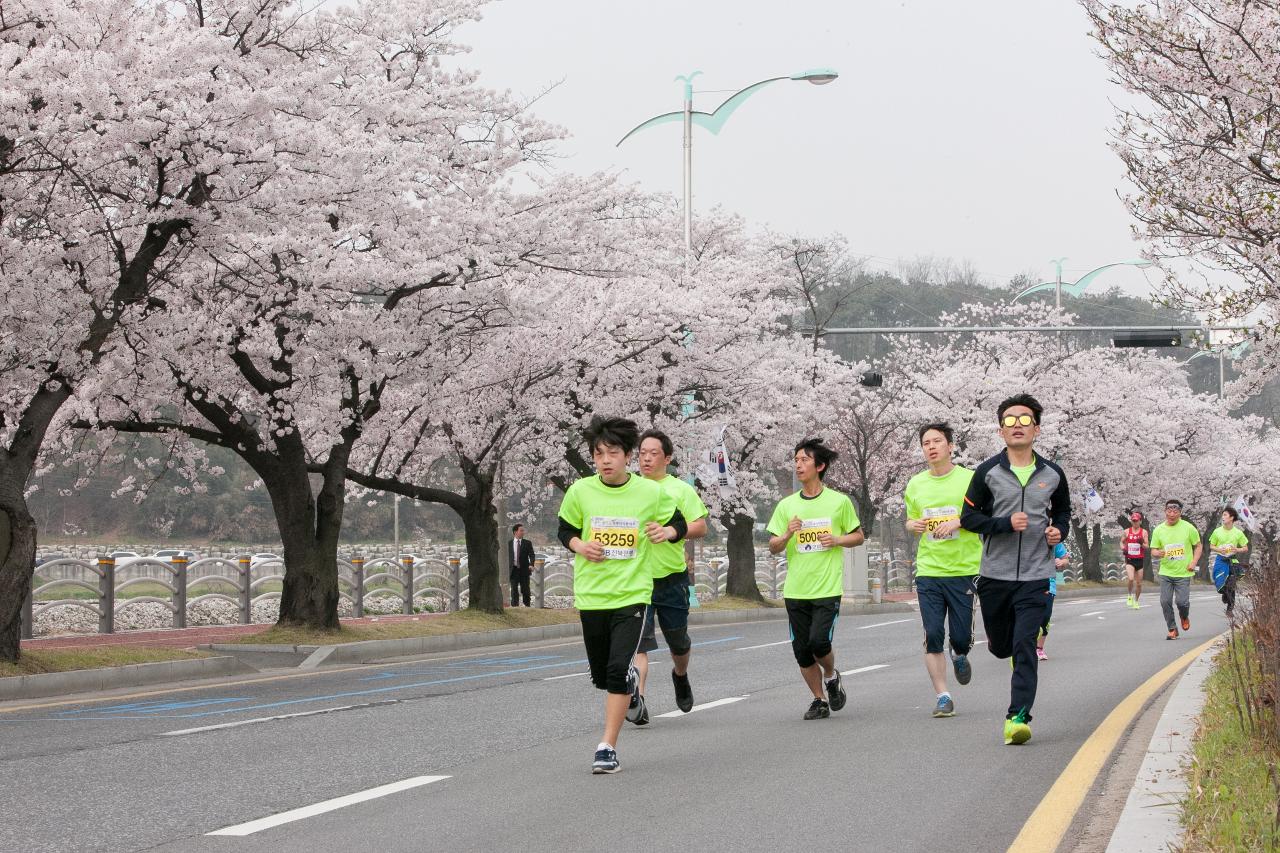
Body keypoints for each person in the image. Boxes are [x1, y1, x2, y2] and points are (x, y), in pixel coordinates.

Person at [557, 416, 687, 774]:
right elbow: (564, 529)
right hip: (592, 595)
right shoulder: (580, 492)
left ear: (627, 455)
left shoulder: (649, 492)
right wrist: (580, 544)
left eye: (612, 452)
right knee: (603, 675)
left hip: (632, 595)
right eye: (599, 454)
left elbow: (678, 522)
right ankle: (627, 684)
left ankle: (607, 747)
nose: (605, 460)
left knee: (616, 670)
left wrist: (667, 533)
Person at [960, 394, 1071, 746]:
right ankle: (1004, 650)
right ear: (1000, 429)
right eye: (1010, 420)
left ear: (1036, 428)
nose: (1017, 425)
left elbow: (1064, 512)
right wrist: (1004, 523)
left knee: (1025, 645)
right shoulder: (987, 473)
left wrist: (1059, 531)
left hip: (1037, 575)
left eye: (1024, 419)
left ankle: (1018, 716)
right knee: (1001, 647)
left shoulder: (1052, 474)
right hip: (995, 575)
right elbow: (969, 519)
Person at [767, 438, 864, 720]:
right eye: (796, 460)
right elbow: (773, 546)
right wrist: (786, 534)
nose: (798, 465)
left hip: (826, 588)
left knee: (819, 642)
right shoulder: (786, 506)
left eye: (804, 460)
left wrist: (836, 539)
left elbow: (858, 536)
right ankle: (819, 699)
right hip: (796, 589)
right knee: (802, 651)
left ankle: (831, 677)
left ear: (819, 466)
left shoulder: (839, 502)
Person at [626, 429, 709, 726]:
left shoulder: (680, 490)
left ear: (668, 458)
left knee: (678, 642)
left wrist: (672, 532)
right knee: (639, 643)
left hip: (672, 579)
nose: (646, 459)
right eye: (642, 453)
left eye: (654, 454)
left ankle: (680, 675)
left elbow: (700, 527)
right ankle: (638, 700)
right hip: (638, 580)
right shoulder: (629, 488)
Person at [903, 422, 982, 718]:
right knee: (933, 632)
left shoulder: (970, 480)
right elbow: (910, 520)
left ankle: (959, 653)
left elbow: (985, 516)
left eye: (937, 441)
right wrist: (914, 525)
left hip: (963, 568)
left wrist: (960, 521)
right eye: (926, 443)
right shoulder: (916, 484)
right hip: (929, 570)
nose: (932, 446)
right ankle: (943, 696)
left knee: (959, 636)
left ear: (950, 446)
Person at [1150, 499, 1203, 640]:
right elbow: (1153, 550)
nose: (1172, 514)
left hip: (1183, 572)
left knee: (1182, 603)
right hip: (1166, 572)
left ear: (1180, 513)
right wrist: (1157, 553)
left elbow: (1198, 546)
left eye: (1175, 511)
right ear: (1165, 511)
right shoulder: (1158, 530)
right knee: (1165, 601)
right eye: (1169, 511)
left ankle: (1184, 616)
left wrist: (1194, 561)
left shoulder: (1189, 528)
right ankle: (1172, 629)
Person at [1208, 506, 1249, 617]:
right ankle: (1225, 593)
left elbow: (1245, 548)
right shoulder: (1217, 531)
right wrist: (1219, 549)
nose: (1223, 517)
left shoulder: (1238, 533)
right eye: (1223, 515)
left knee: (1231, 584)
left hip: (1232, 561)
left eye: (1225, 515)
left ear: (1231, 518)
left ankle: (1230, 608)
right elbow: (1211, 545)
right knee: (1221, 584)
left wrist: (1237, 549)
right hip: (1220, 560)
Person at [1037, 543, 1068, 661]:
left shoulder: (1053, 538)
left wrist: (1061, 562)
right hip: (1025, 582)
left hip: (1048, 584)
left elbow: (1065, 560)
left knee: (1045, 617)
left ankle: (1039, 648)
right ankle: (1022, 647)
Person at [1121, 511, 1149, 610]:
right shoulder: (1127, 531)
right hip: (1130, 559)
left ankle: (1136, 601)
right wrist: (1123, 549)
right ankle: (1129, 595)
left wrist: (1141, 543)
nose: (1135, 523)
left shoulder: (1144, 532)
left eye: (1136, 521)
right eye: (1133, 521)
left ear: (1140, 521)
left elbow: (1147, 546)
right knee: (1131, 578)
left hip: (1139, 560)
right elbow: (1121, 542)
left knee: (1139, 583)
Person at [508, 524, 536, 607]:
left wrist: (531, 564)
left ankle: (527, 606)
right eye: (521, 530)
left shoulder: (527, 543)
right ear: (515, 532)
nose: (523, 532)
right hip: (513, 570)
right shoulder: (509, 543)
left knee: (525, 590)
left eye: (523, 530)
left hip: (524, 570)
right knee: (514, 590)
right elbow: (506, 556)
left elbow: (532, 555)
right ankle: (515, 607)